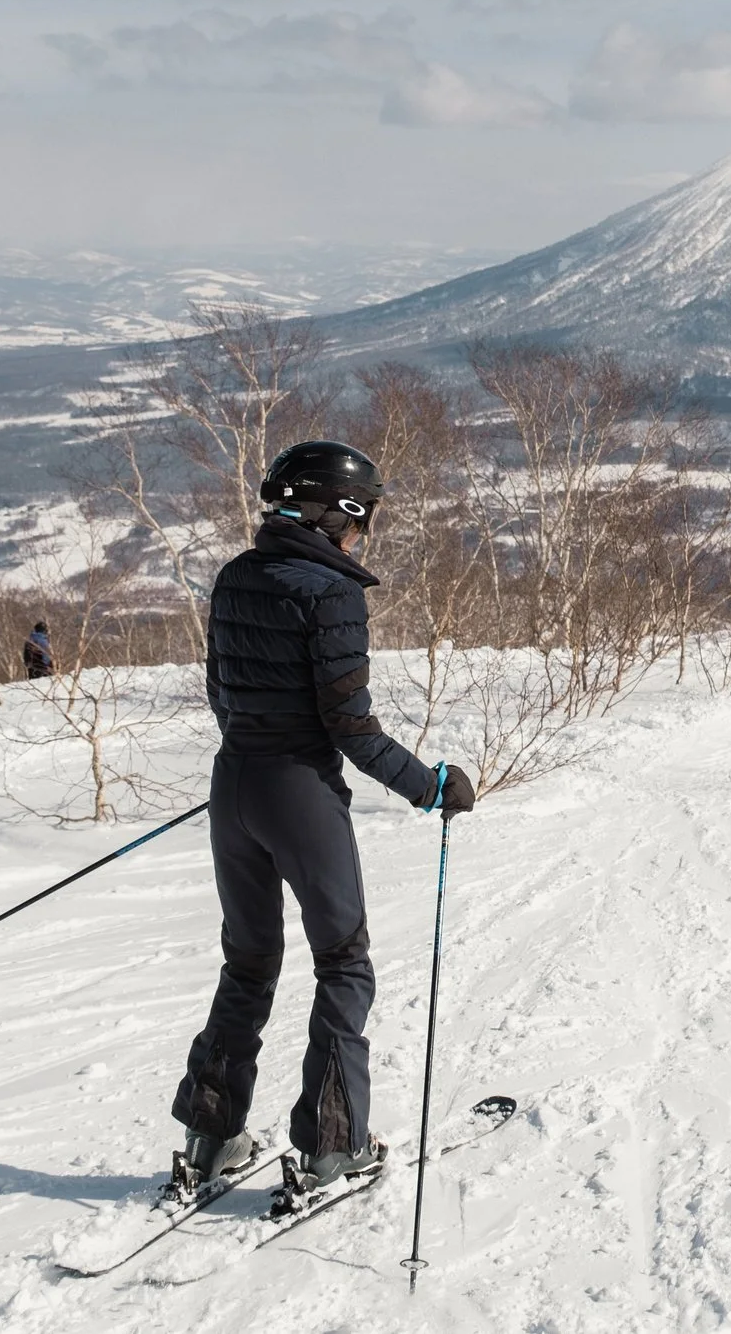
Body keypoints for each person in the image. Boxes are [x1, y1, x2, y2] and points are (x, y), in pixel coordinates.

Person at [165, 438, 475, 1209]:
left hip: (234, 785)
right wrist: (433, 786)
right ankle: (333, 1144)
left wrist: (255, 753)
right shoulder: (332, 594)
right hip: (299, 793)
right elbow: (352, 729)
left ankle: (209, 1136)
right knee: (343, 960)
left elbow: (222, 694)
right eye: (363, 518)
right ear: (337, 513)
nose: (364, 533)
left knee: (249, 961)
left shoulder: (236, 576)